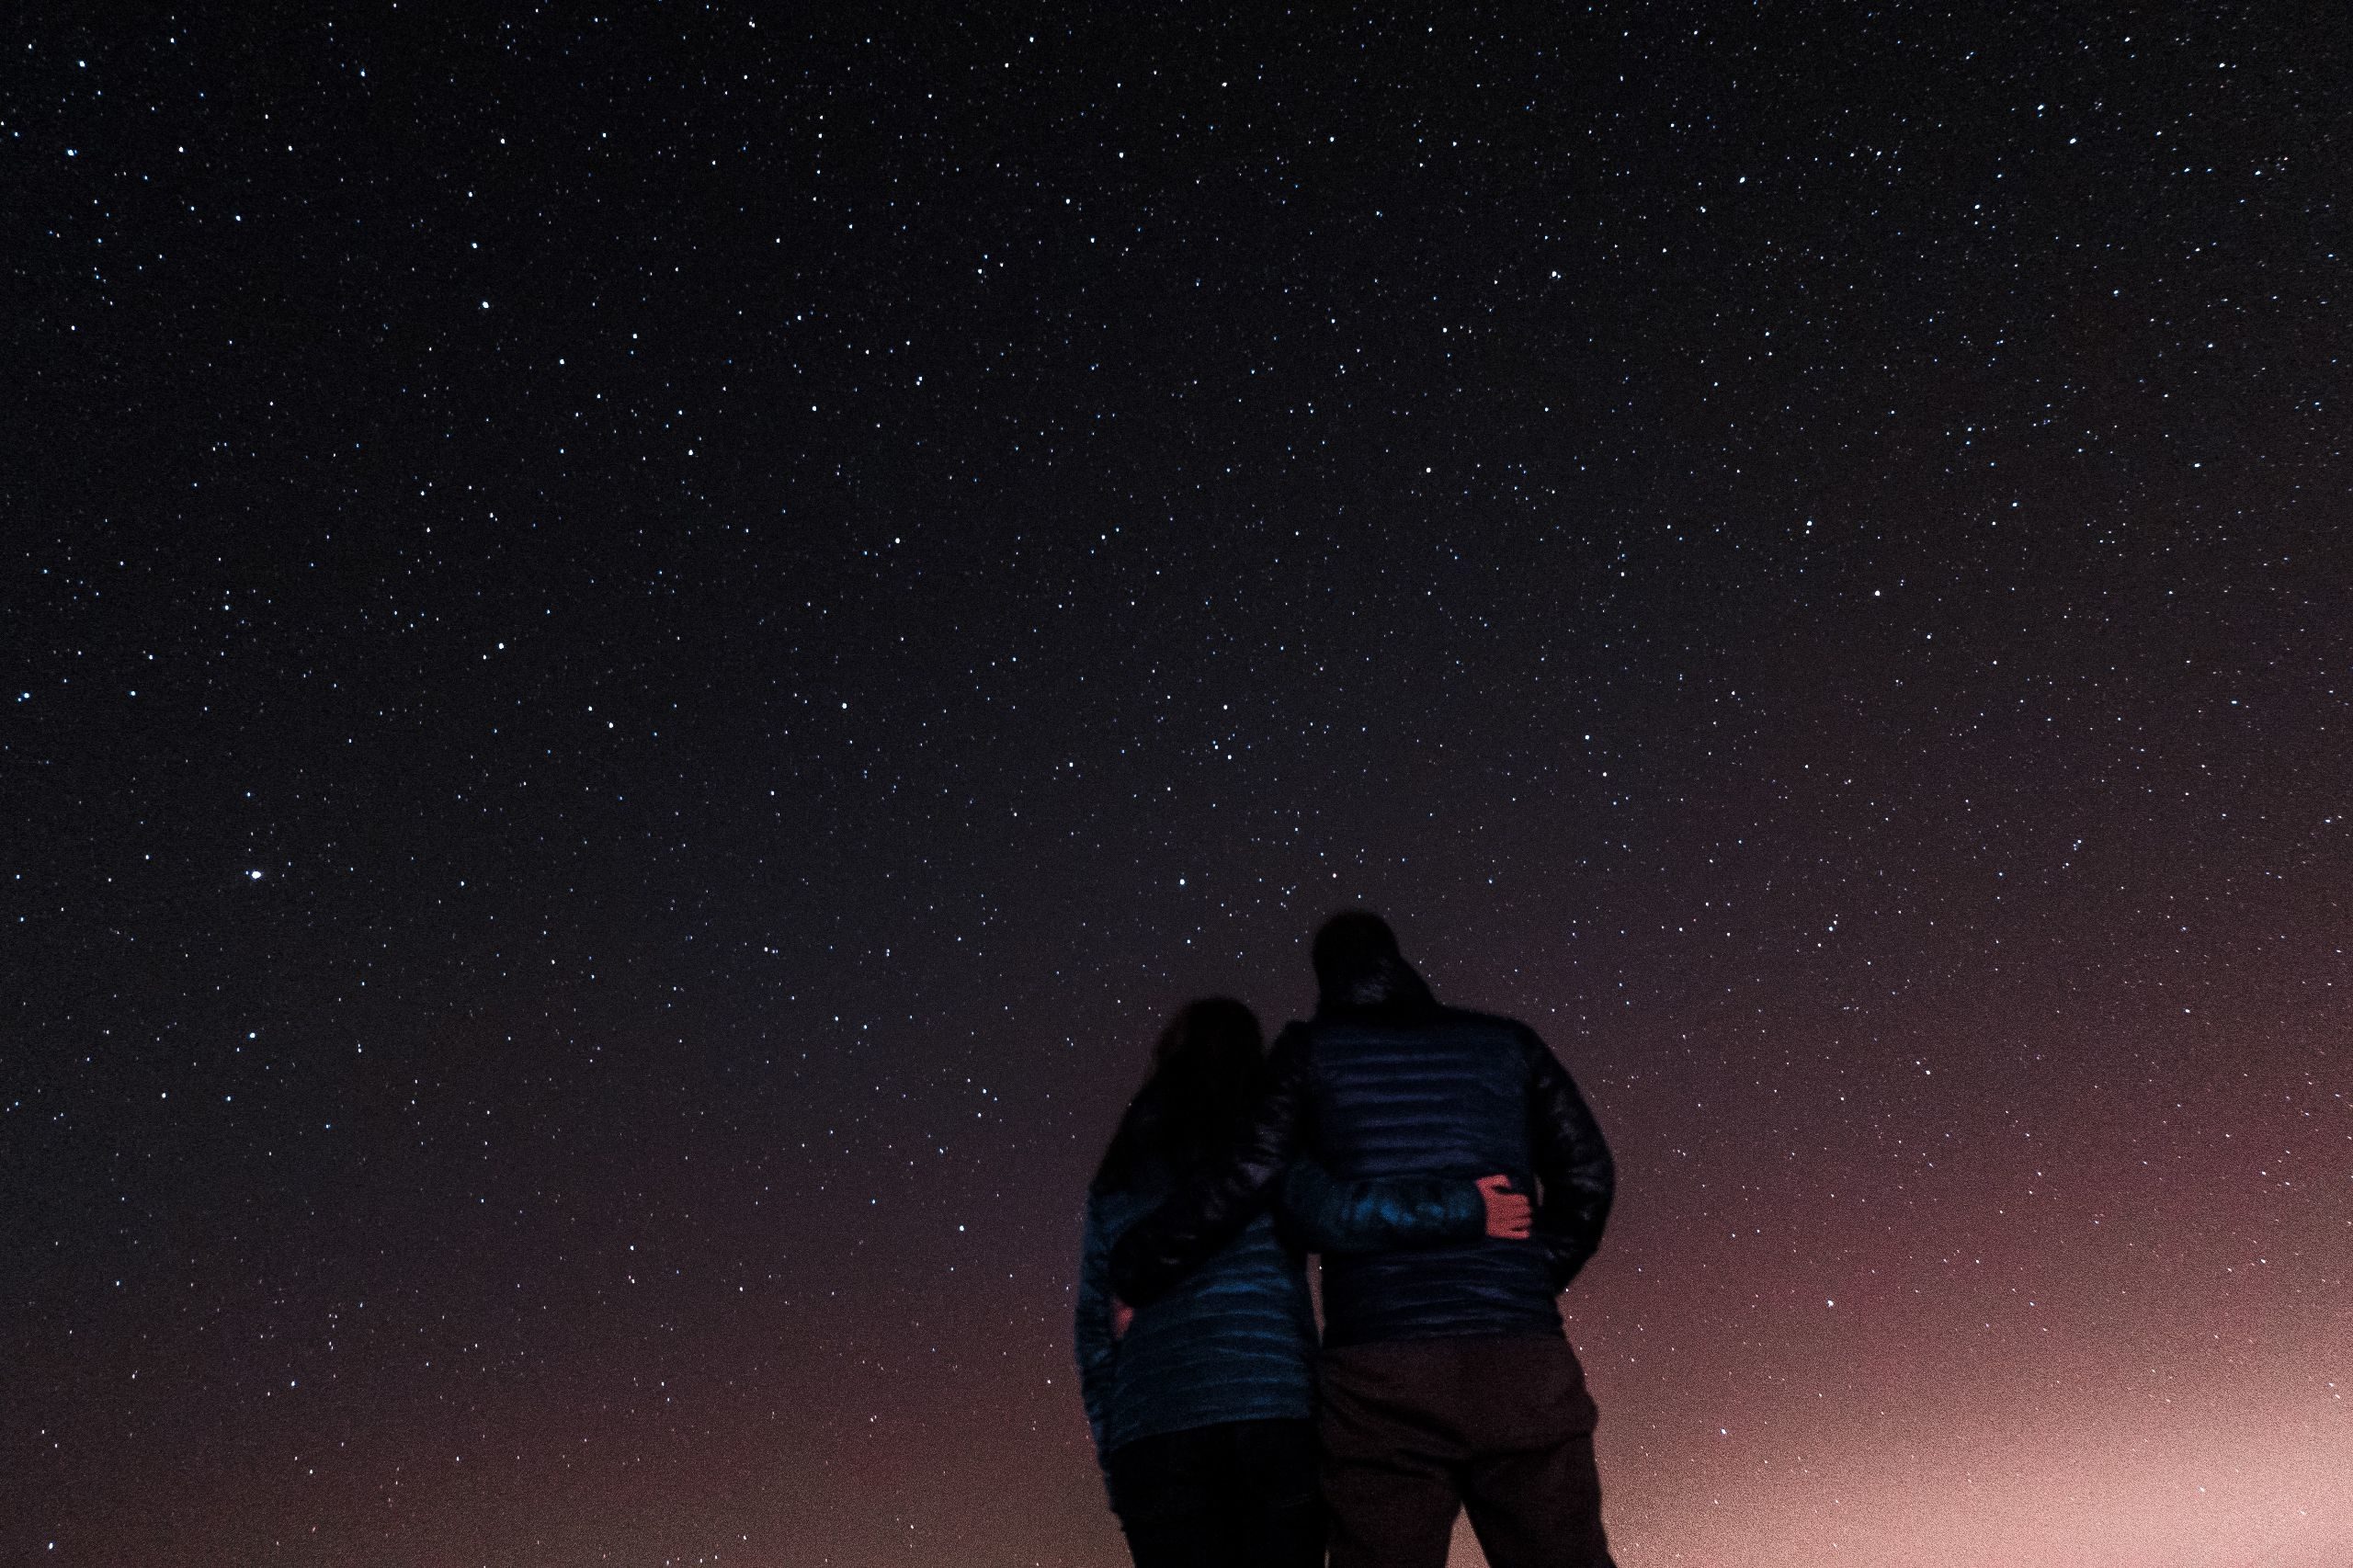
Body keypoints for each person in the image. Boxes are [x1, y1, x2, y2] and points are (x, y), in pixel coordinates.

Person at [1109, 914, 1618, 1568]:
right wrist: (1524, 1273)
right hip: (1519, 1362)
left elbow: (1251, 1174)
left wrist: (1139, 1265)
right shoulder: (1508, 1044)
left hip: (1381, 1373)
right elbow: (1589, 1173)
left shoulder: (1310, 1051)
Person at [1074, 995, 1533, 1568]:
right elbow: (1343, 1213)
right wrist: (1467, 1206)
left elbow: (1094, 1335)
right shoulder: (1269, 1152)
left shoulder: (1117, 1182)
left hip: (1154, 1434)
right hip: (1273, 1413)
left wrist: (1116, 1457)